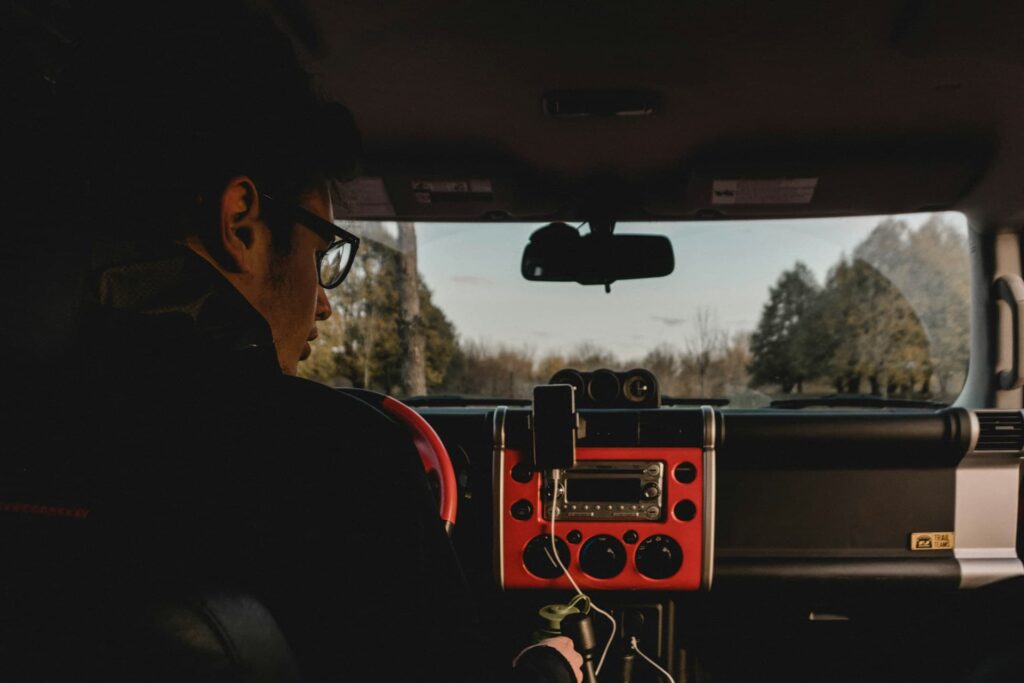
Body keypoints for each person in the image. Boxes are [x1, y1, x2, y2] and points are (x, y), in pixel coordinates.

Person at [2, 1, 582, 681]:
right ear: (241, 222)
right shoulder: (338, 462)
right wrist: (550, 667)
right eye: (320, 249)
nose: (325, 304)